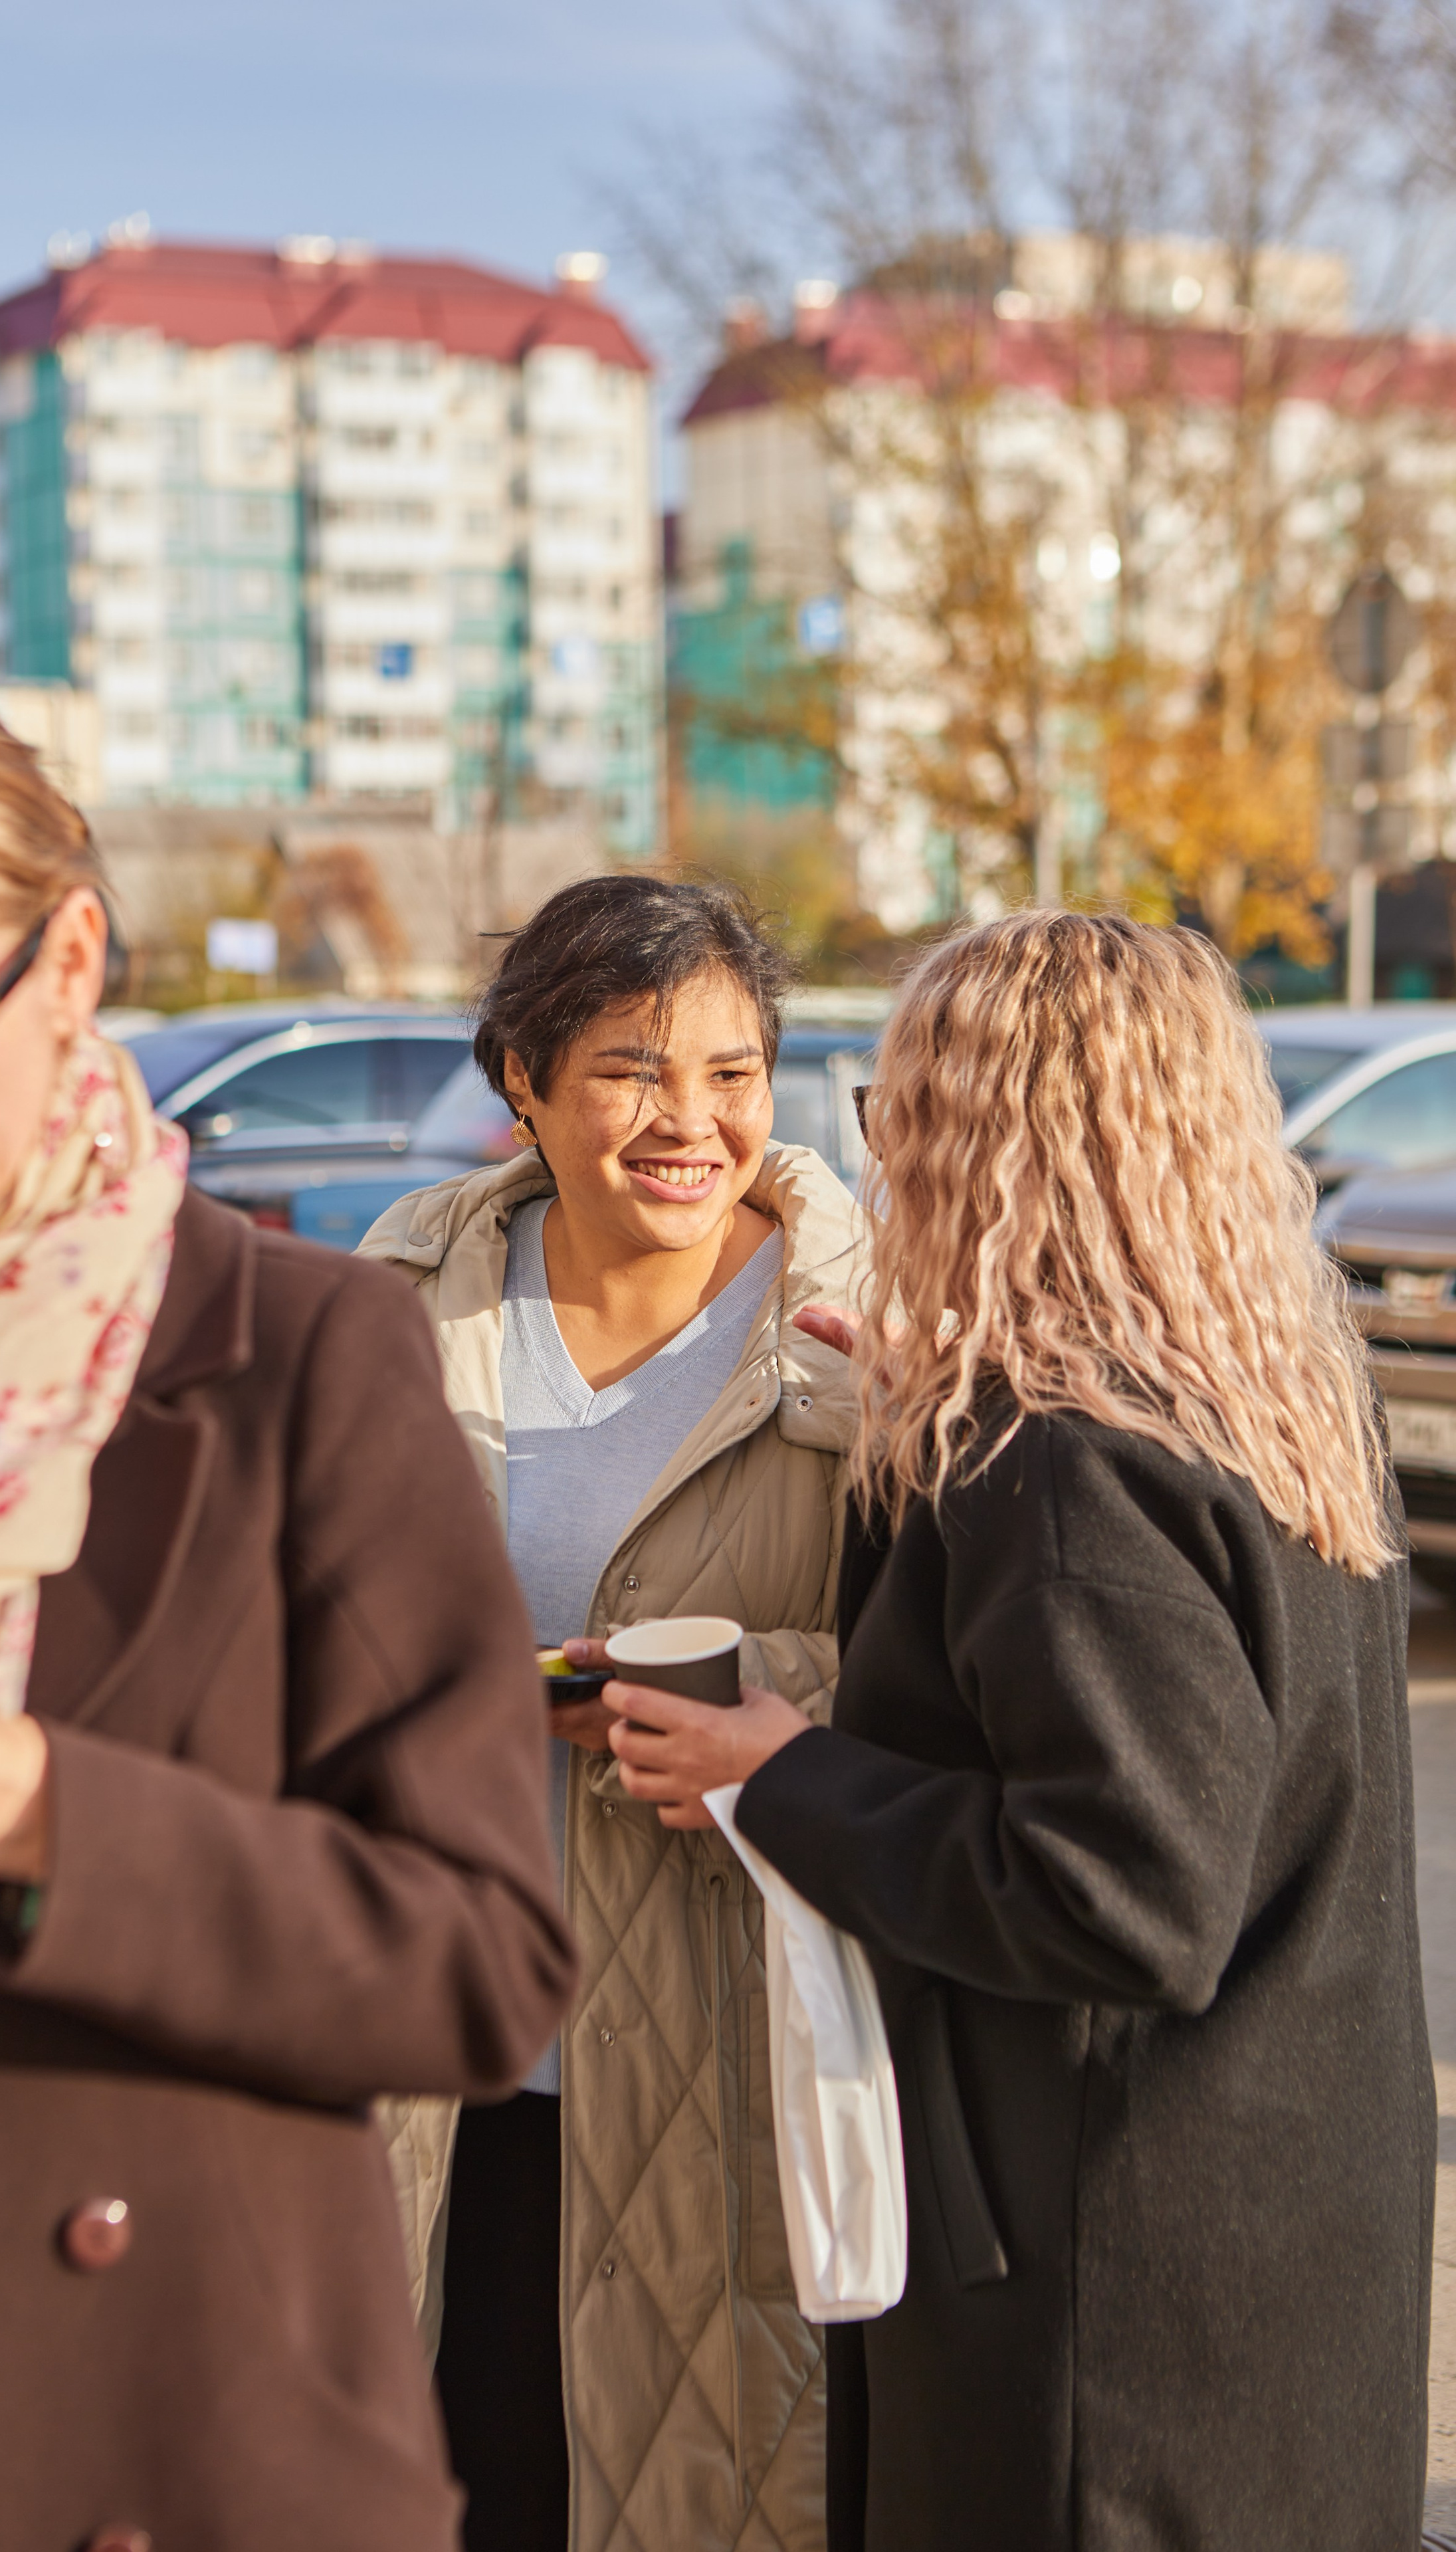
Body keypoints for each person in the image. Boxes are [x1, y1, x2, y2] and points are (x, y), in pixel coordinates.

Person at [0, 671, 575, 2552]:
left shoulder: (300, 1359)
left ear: (70, 967)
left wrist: (50, 1824)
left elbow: (480, 1964)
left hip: (183, 2448)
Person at [609, 911, 1436, 2552]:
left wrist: (779, 1772)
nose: (879, 1156)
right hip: (1270, 2248)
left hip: (1102, 2309)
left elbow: (1122, 1890)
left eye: (892, 1112)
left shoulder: (1054, 1462)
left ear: (976, 1140)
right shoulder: (1255, 1404)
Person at [365, 875, 867, 2552]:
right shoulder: (401, 1299)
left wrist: (758, 1692)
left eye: (733, 1073)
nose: (692, 1122)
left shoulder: (862, 1335)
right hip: (436, 2057)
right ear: (521, 1078)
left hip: (720, 2058)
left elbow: (960, 1675)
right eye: (634, 1069)